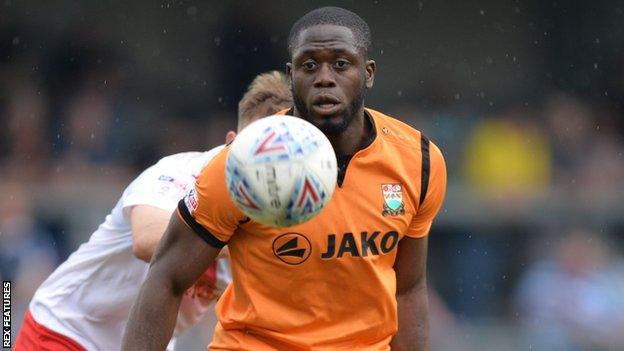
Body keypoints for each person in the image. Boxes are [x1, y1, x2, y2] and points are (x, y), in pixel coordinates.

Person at [123, 7, 447, 351]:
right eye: (310, 65)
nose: (324, 77)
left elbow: (408, 288)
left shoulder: (418, 161)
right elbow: (166, 277)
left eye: (340, 64)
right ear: (291, 76)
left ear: (367, 73)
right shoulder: (243, 164)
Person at [13, 71, 293, 351]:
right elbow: (147, 242)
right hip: (67, 332)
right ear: (231, 141)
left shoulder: (283, 218)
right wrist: (248, 246)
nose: (261, 165)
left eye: (277, 156)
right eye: (256, 149)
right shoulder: (181, 173)